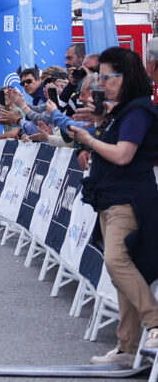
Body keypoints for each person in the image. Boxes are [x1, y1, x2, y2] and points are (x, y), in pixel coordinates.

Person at [67, 47, 158, 366]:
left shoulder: (137, 111)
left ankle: (155, 322)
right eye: (99, 77)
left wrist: (89, 140)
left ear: (125, 76)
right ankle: (128, 346)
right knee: (125, 270)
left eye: (106, 77)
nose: (101, 83)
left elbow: (122, 154)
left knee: (118, 262)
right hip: (112, 196)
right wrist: (95, 123)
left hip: (129, 198)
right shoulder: (123, 110)